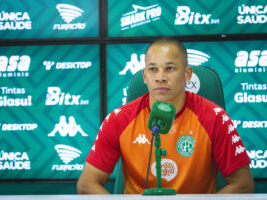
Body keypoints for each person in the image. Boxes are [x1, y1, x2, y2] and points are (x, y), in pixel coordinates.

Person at [77, 37, 254, 194]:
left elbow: (243, 184)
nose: (160, 77)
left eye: (169, 68)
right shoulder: (118, 119)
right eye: (153, 69)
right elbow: (87, 184)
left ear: (187, 74)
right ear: (145, 76)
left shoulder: (214, 117)